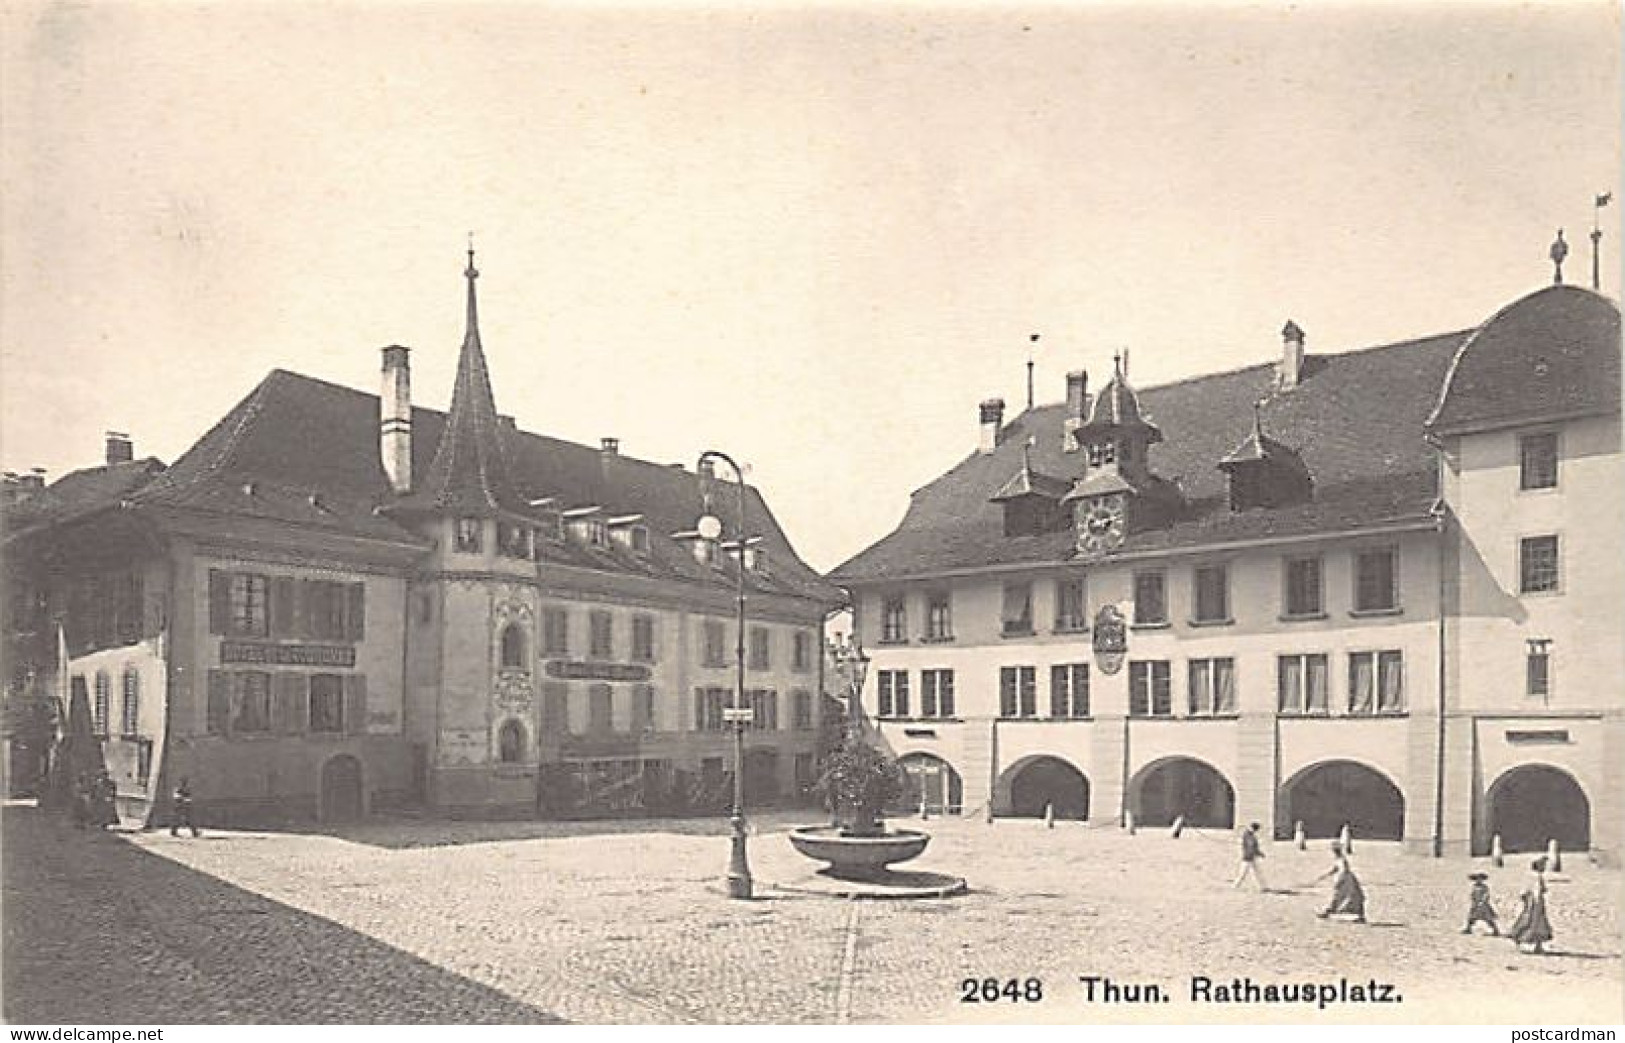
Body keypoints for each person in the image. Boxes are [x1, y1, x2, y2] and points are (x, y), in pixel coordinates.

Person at [1508, 858, 1554, 955]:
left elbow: (1523, 892)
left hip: (1531, 901)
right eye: (1543, 865)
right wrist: (1538, 902)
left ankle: (1537, 945)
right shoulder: (1537, 877)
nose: (1545, 868)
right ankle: (1523, 939)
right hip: (1536, 903)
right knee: (1535, 922)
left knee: (1532, 921)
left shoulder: (1529, 876)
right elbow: (1538, 890)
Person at [1313, 841, 1366, 923]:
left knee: (1340, 897)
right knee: (1355, 897)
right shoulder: (1339, 859)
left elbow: (1343, 870)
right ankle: (1360, 916)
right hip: (1349, 879)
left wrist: (1340, 880)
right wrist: (1324, 876)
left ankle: (1327, 912)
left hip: (1346, 880)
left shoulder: (1341, 859)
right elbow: (1335, 869)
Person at [1232, 821, 1267, 891]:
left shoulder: (1248, 835)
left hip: (1251, 857)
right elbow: (1251, 847)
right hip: (1248, 857)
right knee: (1243, 873)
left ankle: (1262, 887)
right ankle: (1235, 885)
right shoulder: (1249, 836)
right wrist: (1259, 853)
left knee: (1256, 872)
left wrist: (1258, 853)